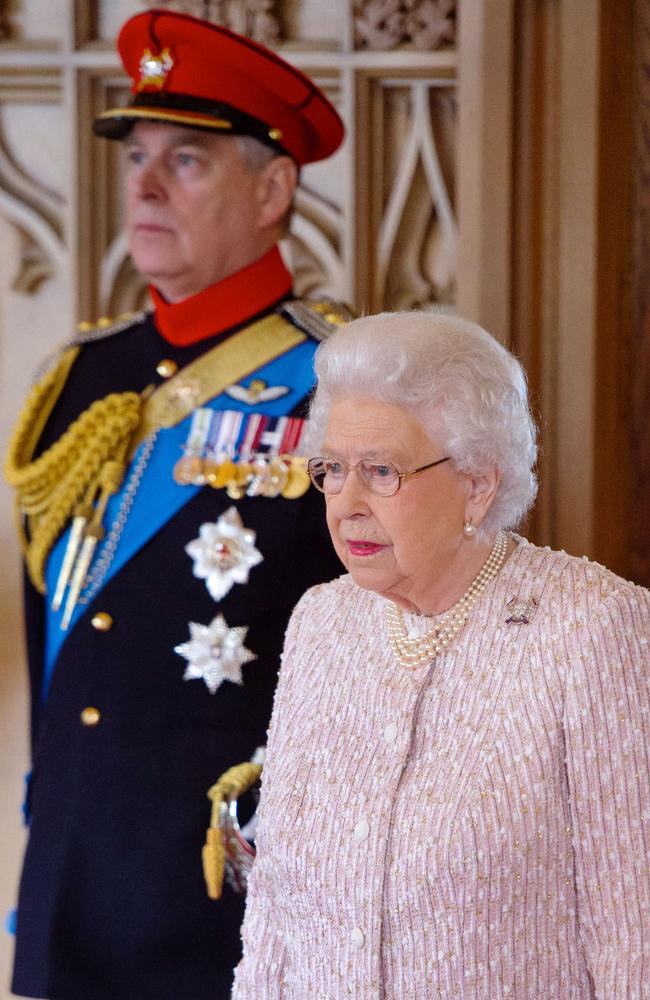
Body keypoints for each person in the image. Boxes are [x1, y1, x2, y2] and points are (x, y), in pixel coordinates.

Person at [4, 9, 347, 1000]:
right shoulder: (86, 378)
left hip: (233, 893)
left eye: (186, 161)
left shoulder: (339, 379)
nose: (144, 184)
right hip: (74, 876)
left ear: (271, 187)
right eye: (137, 157)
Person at [232, 311, 650, 999]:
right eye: (333, 469)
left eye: (382, 471)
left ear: (478, 484)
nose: (346, 504)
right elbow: (273, 921)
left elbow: (634, 937)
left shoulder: (592, 629)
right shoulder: (321, 623)